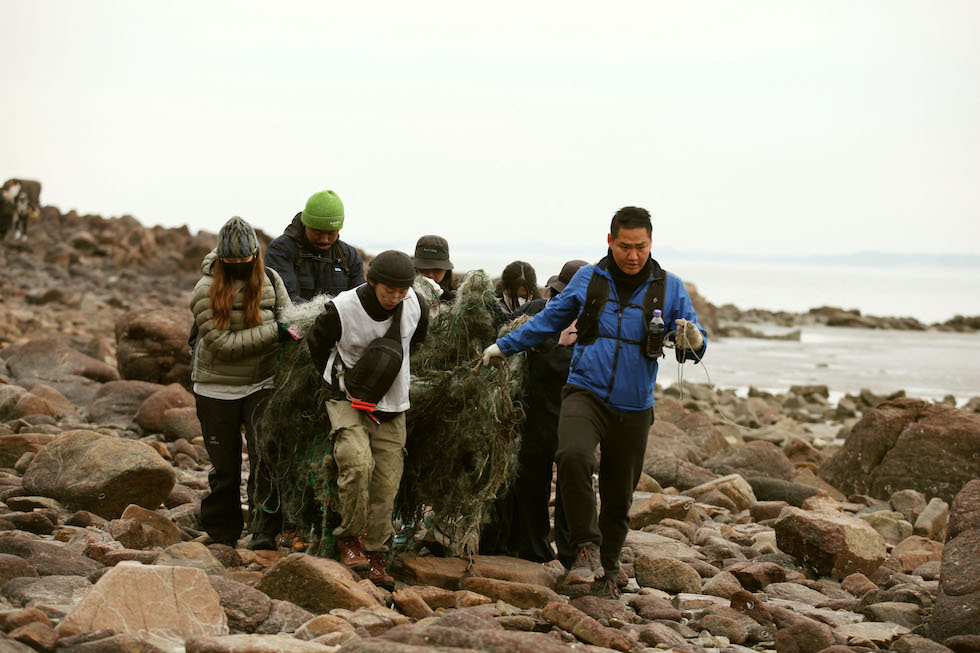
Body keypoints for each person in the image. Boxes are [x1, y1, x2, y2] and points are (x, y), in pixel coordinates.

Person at [481, 207, 707, 597]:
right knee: (572, 456)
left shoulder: (669, 288)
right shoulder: (588, 279)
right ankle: (586, 548)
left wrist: (695, 340)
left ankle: (609, 567)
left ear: (651, 243)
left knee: (619, 495)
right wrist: (504, 346)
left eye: (641, 247)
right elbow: (549, 320)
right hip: (585, 391)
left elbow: (693, 341)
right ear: (609, 241)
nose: (633, 255)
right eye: (625, 246)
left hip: (634, 405)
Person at [306, 250, 429, 588]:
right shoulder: (341, 310)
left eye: (402, 291)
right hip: (347, 398)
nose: (396, 298)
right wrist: (342, 382)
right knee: (357, 463)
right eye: (389, 291)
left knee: (387, 482)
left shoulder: (417, 306)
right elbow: (316, 346)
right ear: (372, 281)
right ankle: (350, 539)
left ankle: (376, 554)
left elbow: (416, 342)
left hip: (393, 403)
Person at [190, 216, 291, 550]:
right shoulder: (204, 290)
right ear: (221, 258)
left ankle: (264, 531)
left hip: (262, 382)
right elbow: (223, 345)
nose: (239, 266)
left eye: (245, 260)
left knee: (266, 460)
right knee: (225, 468)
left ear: (255, 255)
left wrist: (287, 331)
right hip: (214, 387)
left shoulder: (272, 280)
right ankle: (223, 533)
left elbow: (290, 322)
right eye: (232, 261)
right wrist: (274, 332)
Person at [266, 189, 365, 303]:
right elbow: (286, 300)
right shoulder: (280, 251)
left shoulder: (350, 257)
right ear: (306, 224)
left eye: (331, 233)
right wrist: (330, 310)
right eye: (318, 232)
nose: (324, 239)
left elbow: (360, 301)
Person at [412, 234, 456, 304]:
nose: (430, 275)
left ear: (446, 271)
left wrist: (444, 295)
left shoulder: (458, 293)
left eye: (437, 270)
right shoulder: (405, 292)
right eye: (424, 268)